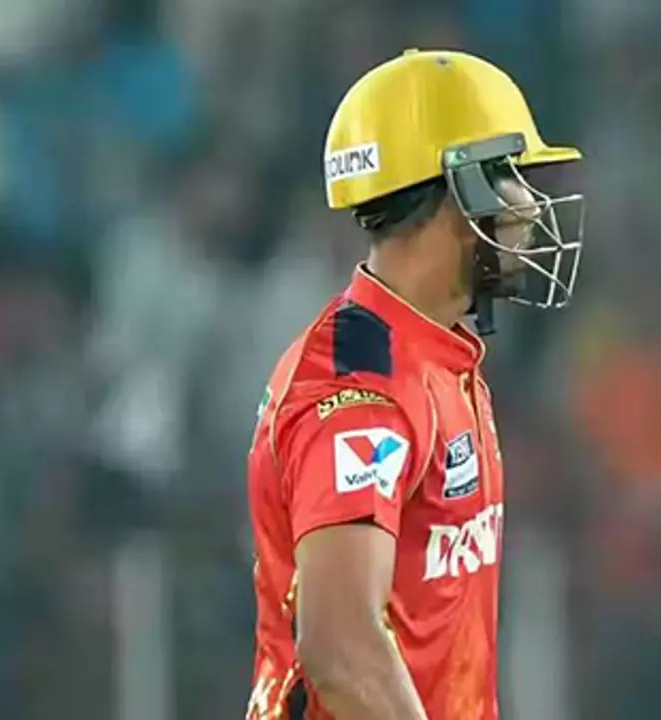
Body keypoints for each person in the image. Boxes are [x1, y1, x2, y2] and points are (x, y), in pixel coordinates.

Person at [244, 48, 584, 720]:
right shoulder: (360, 390)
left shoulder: (437, 354)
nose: (531, 203)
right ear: (465, 189)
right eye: (512, 173)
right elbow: (341, 649)